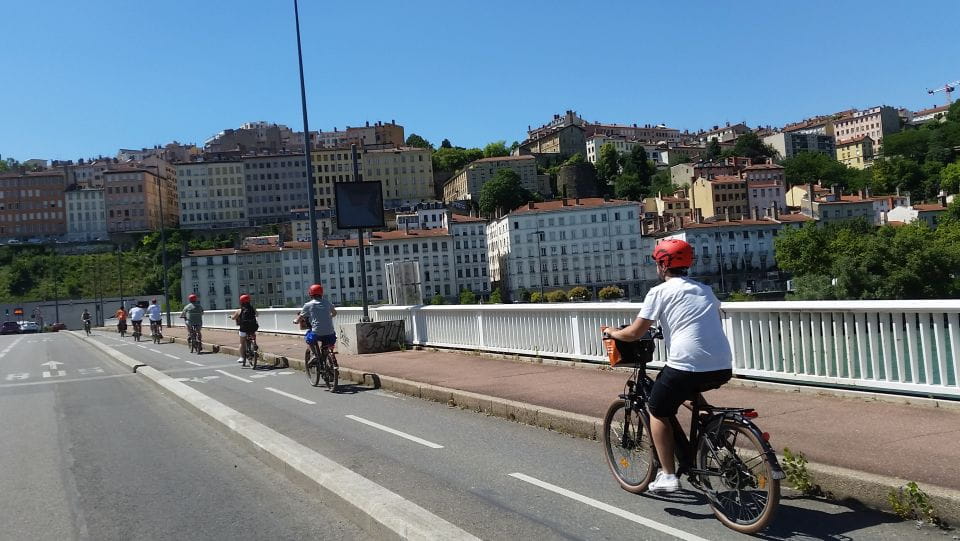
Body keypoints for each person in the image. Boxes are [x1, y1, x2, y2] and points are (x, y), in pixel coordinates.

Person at [603, 239, 732, 493]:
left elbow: (635, 332)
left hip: (686, 363)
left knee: (657, 409)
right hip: (722, 364)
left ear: (663, 264)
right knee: (689, 388)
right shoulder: (704, 289)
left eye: (657, 263)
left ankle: (668, 475)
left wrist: (613, 332)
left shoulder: (659, 292)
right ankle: (715, 432)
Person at [295, 284, 337, 352]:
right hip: (330, 333)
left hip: (317, 333)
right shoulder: (327, 303)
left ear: (310, 294)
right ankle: (327, 356)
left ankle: (314, 355)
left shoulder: (308, 305)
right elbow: (334, 313)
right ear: (321, 293)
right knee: (327, 342)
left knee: (309, 338)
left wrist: (296, 321)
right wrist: (330, 316)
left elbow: (301, 317)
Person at [231, 294, 259, 364]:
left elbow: (234, 318)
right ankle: (254, 346)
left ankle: (241, 357)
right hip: (253, 327)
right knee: (252, 335)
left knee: (242, 342)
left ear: (241, 302)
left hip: (243, 328)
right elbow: (257, 314)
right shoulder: (253, 308)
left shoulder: (239, 310)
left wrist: (231, 317)